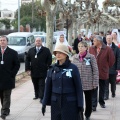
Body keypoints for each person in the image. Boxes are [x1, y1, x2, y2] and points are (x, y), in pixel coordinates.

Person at [42, 44, 84, 120]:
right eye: (56, 53)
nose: (57, 55)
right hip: (56, 103)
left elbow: (78, 88)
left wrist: (80, 104)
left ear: (66, 54)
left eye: (60, 52)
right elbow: (47, 87)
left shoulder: (73, 68)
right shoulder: (52, 68)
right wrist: (44, 103)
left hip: (70, 103)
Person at [72, 41, 99, 120]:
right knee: (78, 99)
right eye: (79, 46)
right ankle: (80, 112)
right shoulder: (75, 57)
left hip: (88, 82)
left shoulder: (91, 57)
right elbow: (72, 69)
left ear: (86, 48)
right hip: (78, 82)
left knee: (88, 99)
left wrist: (95, 82)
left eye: (82, 46)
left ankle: (88, 113)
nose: (80, 48)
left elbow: (95, 70)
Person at [89, 35, 115, 111]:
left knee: (102, 88)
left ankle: (101, 102)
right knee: (94, 88)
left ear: (99, 41)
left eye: (94, 41)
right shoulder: (91, 48)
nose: (93, 42)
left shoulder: (107, 49)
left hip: (103, 71)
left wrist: (106, 67)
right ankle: (94, 105)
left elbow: (112, 60)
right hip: (93, 72)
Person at [25, 37, 52, 102]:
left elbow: (49, 59)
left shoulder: (46, 50)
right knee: (35, 83)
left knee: (41, 84)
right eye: (37, 41)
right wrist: (28, 69)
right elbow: (27, 60)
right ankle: (36, 95)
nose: (38, 42)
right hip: (33, 71)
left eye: (39, 41)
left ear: (41, 42)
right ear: (35, 42)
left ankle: (41, 97)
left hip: (42, 71)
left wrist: (47, 66)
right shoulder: (31, 50)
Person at [0, 36, 20, 120]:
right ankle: (6, 109)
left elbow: (17, 65)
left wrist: (12, 74)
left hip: (8, 79)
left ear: (7, 42)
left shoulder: (13, 52)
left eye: (4, 40)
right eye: (0, 40)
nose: (2, 42)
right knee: (2, 96)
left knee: (6, 96)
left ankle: (3, 112)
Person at [104, 35, 120, 100]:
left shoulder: (116, 48)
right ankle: (106, 95)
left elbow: (119, 58)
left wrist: (118, 68)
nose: (108, 40)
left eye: (110, 39)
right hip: (105, 68)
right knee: (106, 82)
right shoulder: (103, 47)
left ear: (112, 39)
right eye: (107, 39)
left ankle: (113, 92)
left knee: (113, 82)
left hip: (113, 68)